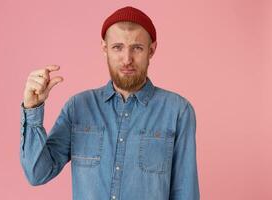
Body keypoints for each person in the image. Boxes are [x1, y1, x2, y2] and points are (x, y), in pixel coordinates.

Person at [20, 6, 200, 200]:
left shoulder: (178, 111)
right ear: (105, 49)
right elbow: (37, 173)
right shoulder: (78, 107)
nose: (127, 59)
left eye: (137, 48)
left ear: (152, 50)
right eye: (117, 47)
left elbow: (185, 192)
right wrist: (33, 110)